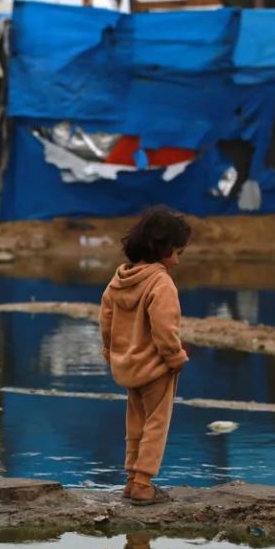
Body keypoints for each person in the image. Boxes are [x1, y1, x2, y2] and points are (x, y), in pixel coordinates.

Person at [99, 207, 190, 505]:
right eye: (176, 252)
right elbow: (165, 329)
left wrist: (110, 352)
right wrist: (175, 358)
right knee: (156, 424)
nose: (177, 260)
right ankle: (142, 483)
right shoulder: (160, 283)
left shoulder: (118, 280)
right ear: (161, 249)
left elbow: (106, 323)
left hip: (126, 366)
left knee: (135, 422)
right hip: (155, 368)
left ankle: (130, 478)